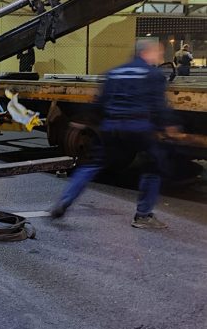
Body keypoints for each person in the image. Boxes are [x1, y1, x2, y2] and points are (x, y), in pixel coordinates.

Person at [49, 38, 178, 228]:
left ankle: (64, 202)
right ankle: (143, 216)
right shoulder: (153, 75)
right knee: (153, 167)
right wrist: (168, 127)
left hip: (112, 127)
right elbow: (159, 107)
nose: (159, 57)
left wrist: (81, 121)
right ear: (147, 52)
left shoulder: (114, 73)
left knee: (92, 165)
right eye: (157, 53)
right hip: (139, 128)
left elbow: (100, 103)